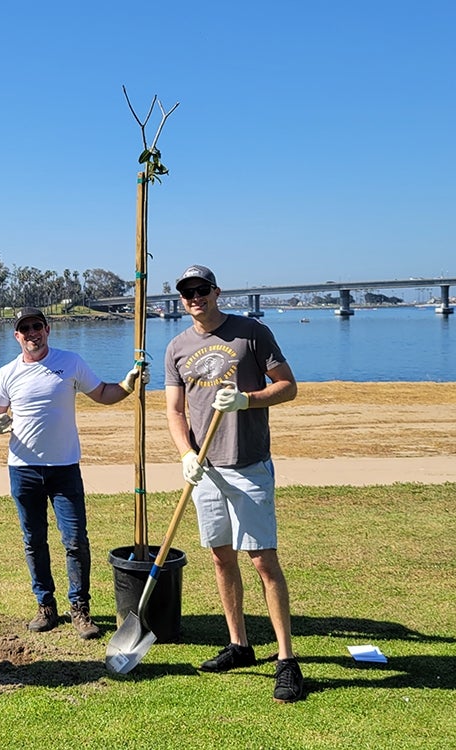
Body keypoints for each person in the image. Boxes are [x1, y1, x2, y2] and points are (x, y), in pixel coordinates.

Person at [163, 265, 305, 703]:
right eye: (187, 292)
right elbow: (175, 412)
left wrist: (248, 399)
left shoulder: (251, 333)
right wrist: (186, 453)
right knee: (221, 559)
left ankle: (286, 659)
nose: (194, 298)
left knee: (263, 561)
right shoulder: (176, 347)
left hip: (248, 464)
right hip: (206, 470)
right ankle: (240, 645)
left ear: (215, 292)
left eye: (201, 290)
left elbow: (288, 387)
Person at [0, 306, 144, 640]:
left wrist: (127, 386)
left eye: (37, 326)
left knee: (74, 541)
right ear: (17, 336)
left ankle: (80, 609)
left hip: (64, 470)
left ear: (47, 329)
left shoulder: (70, 362)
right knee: (34, 542)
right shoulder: (6, 373)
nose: (32, 333)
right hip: (23, 470)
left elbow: (101, 393)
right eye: (25, 329)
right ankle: (45, 606)